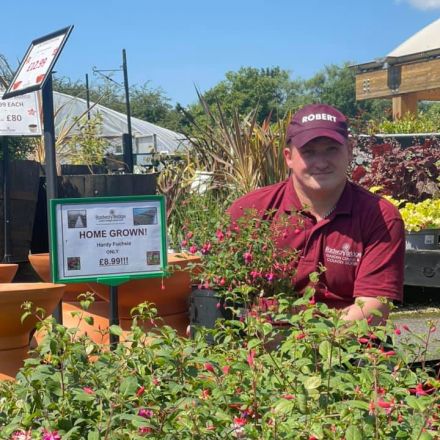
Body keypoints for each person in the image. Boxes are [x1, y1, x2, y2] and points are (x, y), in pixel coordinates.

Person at [228, 103, 405, 325]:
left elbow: (373, 309)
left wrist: (301, 344)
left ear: (349, 151)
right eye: (308, 152)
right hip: (261, 345)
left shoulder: (381, 216)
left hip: (350, 351)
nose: (321, 163)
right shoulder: (250, 210)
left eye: (331, 149)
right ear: (288, 157)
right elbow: (224, 293)